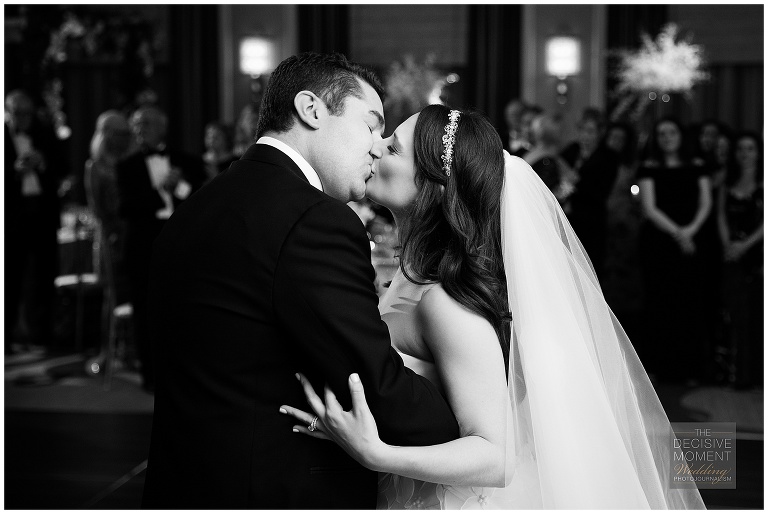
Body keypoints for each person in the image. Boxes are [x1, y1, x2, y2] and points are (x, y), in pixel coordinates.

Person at [281, 105, 706, 509]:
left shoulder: (443, 301)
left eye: (392, 147)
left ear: (435, 185)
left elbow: (496, 458)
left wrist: (376, 453)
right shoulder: (412, 275)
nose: (375, 147)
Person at [141, 53, 460, 509]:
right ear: (311, 110)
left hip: (184, 483)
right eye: (370, 125)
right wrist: (474, 428)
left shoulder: (195, 209)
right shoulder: (315, 220)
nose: (376, 146)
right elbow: (373, 385)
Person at [116, 105, 205, 392]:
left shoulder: (187, 161)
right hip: (143, 247)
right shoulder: (126, 166)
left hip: (183, 246)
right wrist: (160, 192)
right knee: (144, 311)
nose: (140, 130)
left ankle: (184, 373)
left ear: (162, 127)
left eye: (147, 124)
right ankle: (150, 376)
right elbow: (126, 208)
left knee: (185, 310)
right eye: (137, 125)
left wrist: (179, 188)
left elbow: (205, 200)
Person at [636, 117, 713, 383]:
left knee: (689, 305)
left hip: (691, 243)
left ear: (681, 136)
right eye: (661, 133)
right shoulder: (649, 167)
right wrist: (679, 233)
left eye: (672, 132)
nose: (667, 137)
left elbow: (706, 202)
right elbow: (650, 208)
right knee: (659, 304)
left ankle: (689, 369)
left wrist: (690, 231)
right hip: (659, 244)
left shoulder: (697, 166)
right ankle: (657, 367)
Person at [5, 90, 65, 353]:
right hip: (11, 218)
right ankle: (5, 337)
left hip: (41, 214)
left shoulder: (44, 134)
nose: (24, 118)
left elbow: (63, 169)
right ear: (8, 112)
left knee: (44, 275)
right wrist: (12, 172)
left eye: (28, 113)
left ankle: (42, 335)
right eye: (18, 113)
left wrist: (42, 164)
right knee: (9, 278)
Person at [717, 131, 764, 388]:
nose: (745, 154)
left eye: (750, 149)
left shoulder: (763, 181)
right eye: (741, 149)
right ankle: (738, 375)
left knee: (757, 315)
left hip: (757, 254)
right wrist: (729, 245)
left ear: (758, 152)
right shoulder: (728, 181)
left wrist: (745, 246)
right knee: (736, 314)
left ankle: (756, 375)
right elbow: (721, 216)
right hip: (732, 252)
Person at [560, 108, 620, 279]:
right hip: (568, 220)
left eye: (590, 131)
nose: (584, 136)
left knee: (589, 272)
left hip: (592, 222)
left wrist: (574, 180)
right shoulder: (571, 150)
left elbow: (600, 192)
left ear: (600, 133)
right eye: (582, 130)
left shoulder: (609, 157)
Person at [84, 110, 133, 305]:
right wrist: (113, 231)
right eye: (120, 134)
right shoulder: (96, 166)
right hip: (111, 234)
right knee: (115, 293)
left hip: (131, 230)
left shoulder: (130, 161)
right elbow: (96, 206)